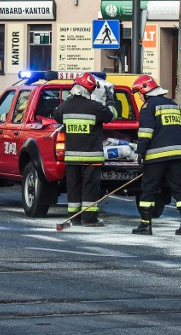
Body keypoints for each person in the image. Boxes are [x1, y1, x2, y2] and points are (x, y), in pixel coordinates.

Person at [53, 73, 118, 227]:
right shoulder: (95, 107)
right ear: (89, 90)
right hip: (91, 157)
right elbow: (112, 115)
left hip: (71, 158)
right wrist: (110, 100)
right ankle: (89, 219)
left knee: (73, 188)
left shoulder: (65, 106)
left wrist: (67, 100)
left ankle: (74, 217)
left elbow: (56, 115)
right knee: (89, 188)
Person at [131, 74, 181, 236]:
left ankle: (145, 225)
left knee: (149, 189)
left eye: (139, 92)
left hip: (156, 157)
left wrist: (140, 153)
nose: (139, 96)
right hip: (177, 155)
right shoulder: (173, 105)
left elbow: (145, 133)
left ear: (145, 90)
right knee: (179, 189)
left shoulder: (149, 107)